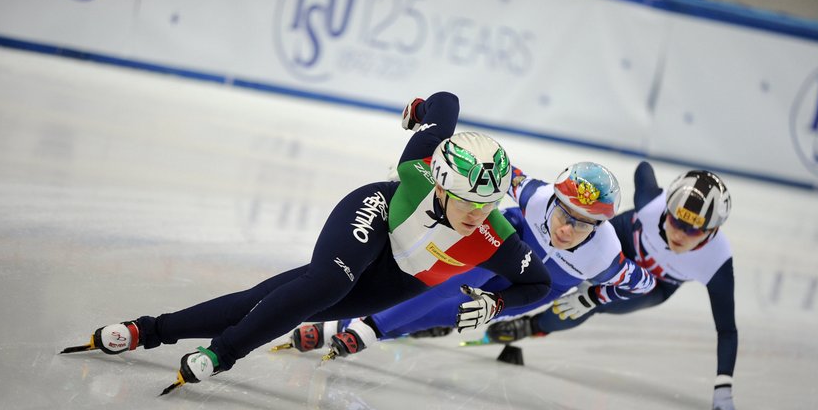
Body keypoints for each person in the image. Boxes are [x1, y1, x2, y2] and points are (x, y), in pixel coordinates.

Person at [61, 92, 551, 393]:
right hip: (376, 216)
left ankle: (148, 330)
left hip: (402, 277)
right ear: (441, 185)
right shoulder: (420, 165)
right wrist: (420, 110)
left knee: (268, 303)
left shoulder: (495, 238)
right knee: (324, 285)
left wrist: (497, 302)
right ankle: (222, 355)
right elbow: (447, 105)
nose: (477, 215)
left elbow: (539, 282)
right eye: (468, 201)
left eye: (488, 205)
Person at [279, 161, 656, 359]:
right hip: (507, 246)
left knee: (449, 313)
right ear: (553, 200)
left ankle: (359, 327)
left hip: (538, 286)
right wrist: (427, 172)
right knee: (439, 280)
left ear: (601, 225)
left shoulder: (607, 258)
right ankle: (358, 327)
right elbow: (489, 165)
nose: (568, 229)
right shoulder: (536, 195)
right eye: (564, 214)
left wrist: (595, 297)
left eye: (584, 223)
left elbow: (645, 283)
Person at [485, 161, 747, 410]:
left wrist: (723, 385)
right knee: (561, 271)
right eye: (675, 220)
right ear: (667, 208)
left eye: (693, 230)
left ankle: (531, 327)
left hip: (656, 283)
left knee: (585, 305)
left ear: (713, 231)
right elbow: (643, 168)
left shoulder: (716, 261)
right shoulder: (651, 203)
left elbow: (726, 328)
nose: (679, 233)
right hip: (622, 239)